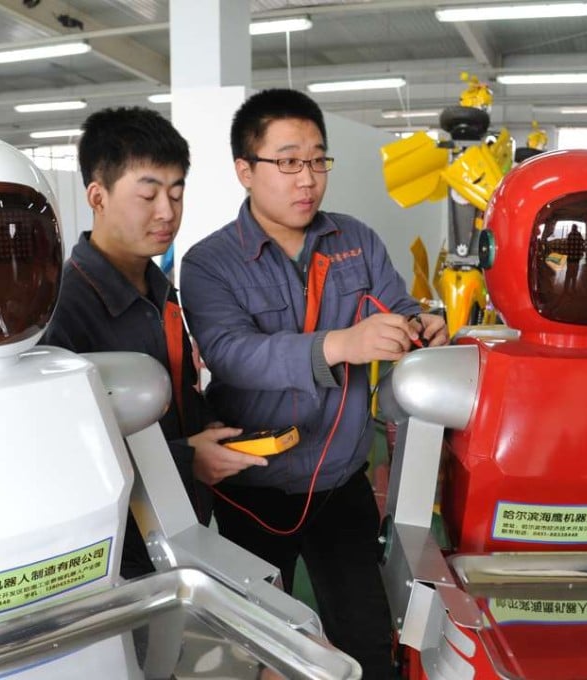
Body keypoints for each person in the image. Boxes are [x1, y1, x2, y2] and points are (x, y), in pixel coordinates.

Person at [179, 89, 447, 676]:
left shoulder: (355, 241)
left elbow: (396, 303)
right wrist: (340, 345)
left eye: (318, 160)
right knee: (258, 642)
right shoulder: (208, 263)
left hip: (340, 481)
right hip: (252, 481)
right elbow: (230, 354)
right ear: (245, 171)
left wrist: (421, 324)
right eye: (289, 161)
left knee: (367, 639)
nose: (307, 179)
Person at [41, 107, 268, 580]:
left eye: (177, 193)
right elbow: (64, 451)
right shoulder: (63, 312)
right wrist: (189, 459)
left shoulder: (157, 285)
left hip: (179, 523)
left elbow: (176, 397)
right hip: (118, 552)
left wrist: (215, 428)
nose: (167, 212)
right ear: (97, 196)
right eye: (148, 195)